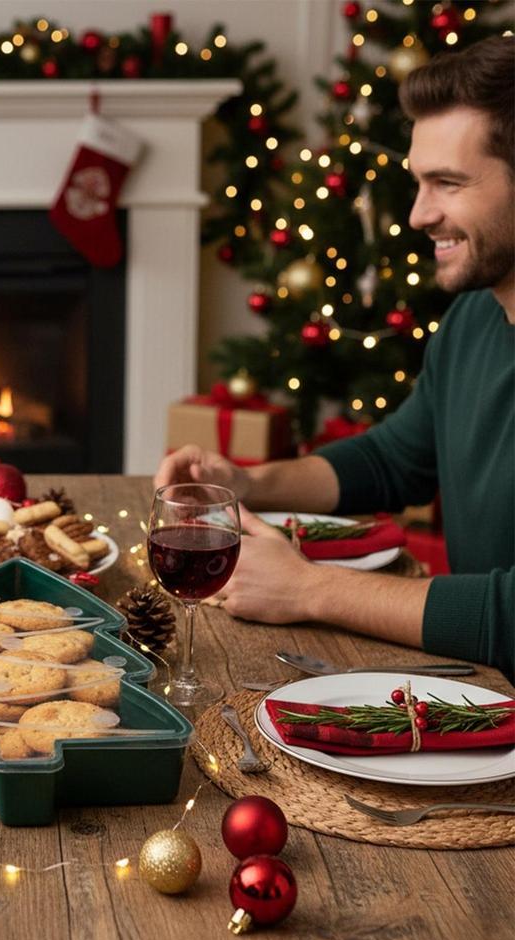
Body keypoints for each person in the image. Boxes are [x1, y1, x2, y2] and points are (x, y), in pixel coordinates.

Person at [155, 36, 514, 679]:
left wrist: (310, 590)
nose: (419, 214)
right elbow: (393, 459)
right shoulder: (475, 318)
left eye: (448, 183)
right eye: (418, 182)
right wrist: (247, 483)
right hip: (481, 690)